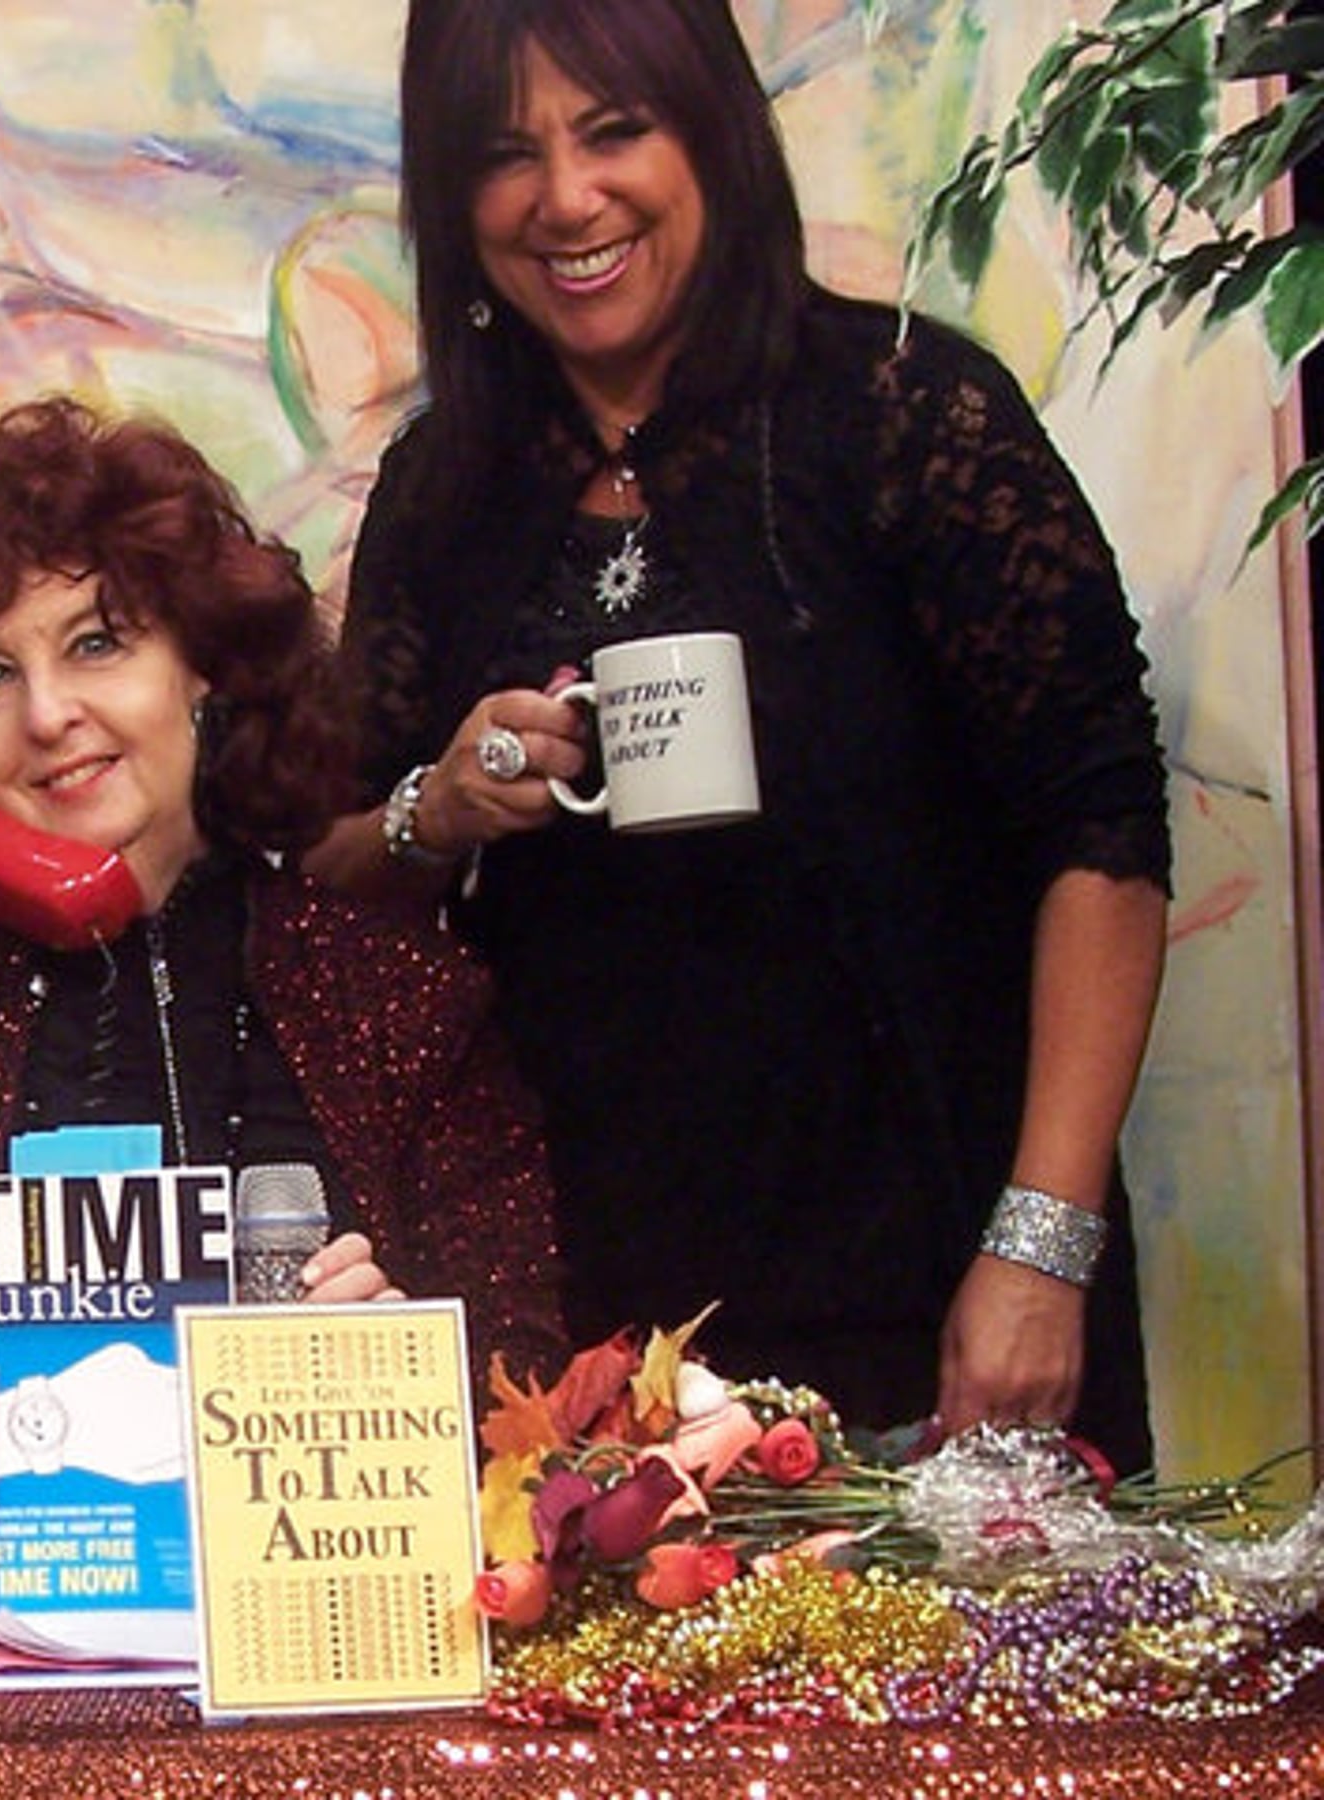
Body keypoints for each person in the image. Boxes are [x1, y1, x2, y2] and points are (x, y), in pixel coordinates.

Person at [309, 0, 1169, 1466]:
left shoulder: (906, 412)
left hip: (943, 1282)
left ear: (710, 130)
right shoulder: (444, 487)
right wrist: (432, 811)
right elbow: (328, 873)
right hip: (583, 1332)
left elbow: (1104, 831)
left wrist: (1040, 1248)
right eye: (507, 155)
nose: (566, 198)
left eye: (614, 131)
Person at [0, 397, 568, 1408]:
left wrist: (405, 1352)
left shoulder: (384, 981)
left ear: (202, 667)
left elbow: (522, 1356)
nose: (47, 716)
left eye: (96, 644)